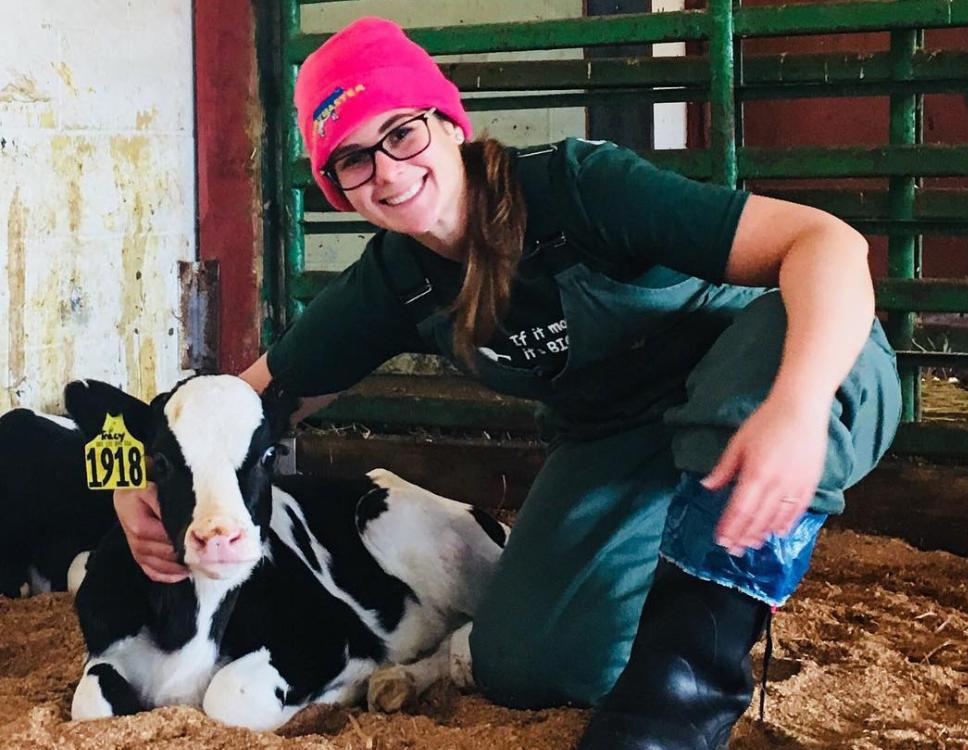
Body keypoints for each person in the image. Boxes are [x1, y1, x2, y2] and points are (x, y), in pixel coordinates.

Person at [114, 16, 902, 749]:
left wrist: (797, 405)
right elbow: (241, 400)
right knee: (525, 662)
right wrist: (128, 472)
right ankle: (664, 602)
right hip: (623, 439)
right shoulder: (396, 279)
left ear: (448, 124)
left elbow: (823, 243)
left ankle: (678, 699)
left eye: (401, 133)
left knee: (740, 397)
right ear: (336, 186)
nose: (387, 173)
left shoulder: (579, 188)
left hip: (790, 369)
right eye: (353, 159)